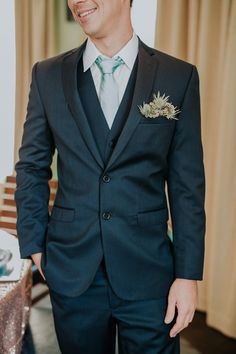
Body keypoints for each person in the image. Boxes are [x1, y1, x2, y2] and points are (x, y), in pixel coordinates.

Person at [15, 0, 206, 353]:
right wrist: (35, 246)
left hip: (151, 274)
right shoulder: (47, 75)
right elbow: (31, 167)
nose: (77, 1)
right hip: (72, 271)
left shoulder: (177, 77)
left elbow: (186, 186)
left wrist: (187, 275)